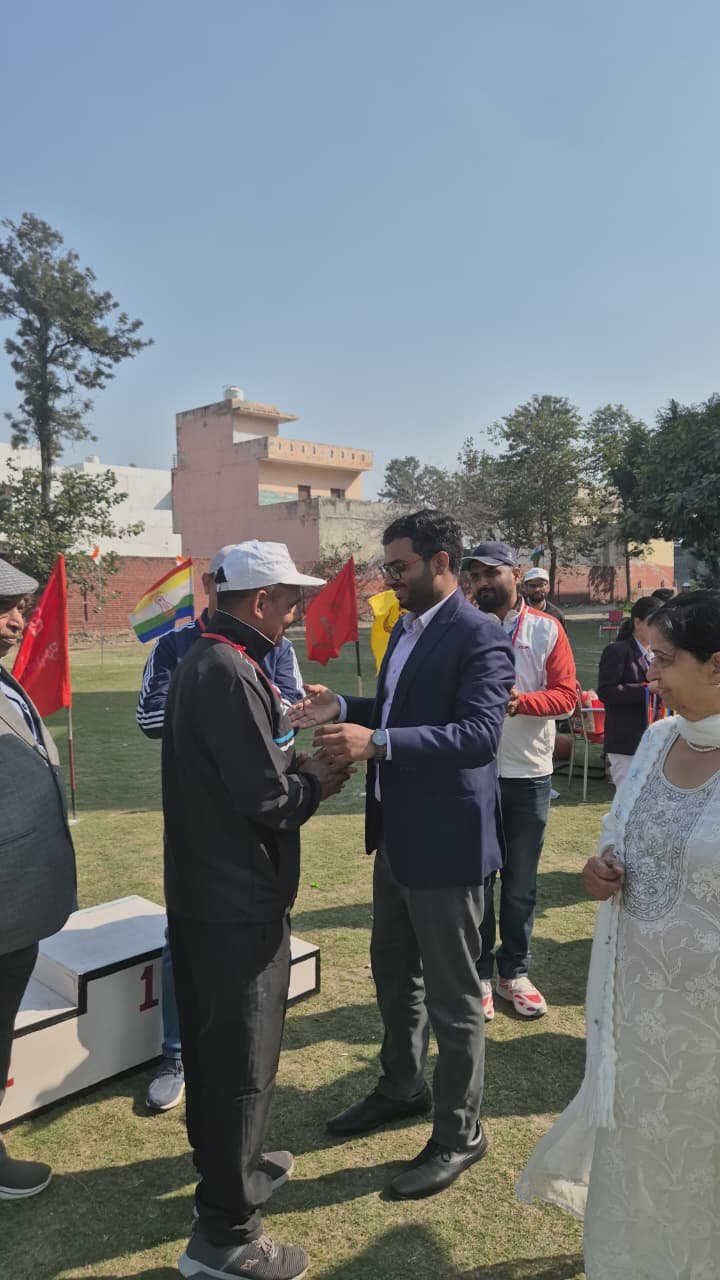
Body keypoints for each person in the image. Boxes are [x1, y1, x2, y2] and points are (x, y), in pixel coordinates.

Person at [290, 510, 515, 1200]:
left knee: (453, 996)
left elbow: (478, 736)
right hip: (396, 837)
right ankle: (402, 1087)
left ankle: (461, 1132)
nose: (388, 578)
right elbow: (398, 710)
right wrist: (343, 707)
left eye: (399, 566)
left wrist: (378, 743)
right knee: (394, 975)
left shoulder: (480, 635)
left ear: (441, 562)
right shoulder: (408, 628)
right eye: (386, 566)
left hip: (447, 844)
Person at [518, 590, 720, 1278]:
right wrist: (599, 870)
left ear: (717, 665)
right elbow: (618, 835)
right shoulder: (658, 740)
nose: (649, 674)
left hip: (709, 1027)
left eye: (664, 660)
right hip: (637, 1012)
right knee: (641, 1147)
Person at [163, 540, 349, 1280]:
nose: (296, 612)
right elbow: (268, 799)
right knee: (240, 1062)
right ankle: (227, 1235)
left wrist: (293, 764)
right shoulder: (227, 668)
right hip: (234, 900)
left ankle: (229, 1170)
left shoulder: (214, 658)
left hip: (214, 892)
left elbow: (244, 772)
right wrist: (318, 777)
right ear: (261, 601)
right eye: (291, 599)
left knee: (222, 1051)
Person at [137, 546, 306, 1113]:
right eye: (289, 600)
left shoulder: (269, 648)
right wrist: (229, 720)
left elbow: (291, 709)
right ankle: (176, 1055)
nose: (294, 614)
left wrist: (260, 728)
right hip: (210, 830)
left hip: (248, 838)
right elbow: (151, 718)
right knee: (191, 951)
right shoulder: (185, 649)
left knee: (237, 1002)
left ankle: (225, 1123)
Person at [466, 543, 577, 1020]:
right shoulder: (465, 627)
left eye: (490, 573)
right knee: (477, 881)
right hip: (473, 772)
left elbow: (567, 697)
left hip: (528, 773)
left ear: (515, 574)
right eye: (474, 576)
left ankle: (514, 970)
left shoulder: (546, 628)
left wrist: (520, 702)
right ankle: (478, 974)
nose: (481, 583)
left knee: (519, 883)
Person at [0, 558, 76, 1199]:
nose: (16, 622)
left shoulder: (6, 677)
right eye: (2, 608)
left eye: (20, 608)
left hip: (17, 899)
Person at [597, 595, 661, 789]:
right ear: (637, 622)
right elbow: (606, 692)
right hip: (626, 742)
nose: (658, 628)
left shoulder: (659, 655)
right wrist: (646, 689)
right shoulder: (617, 651)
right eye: (653, 622)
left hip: (656, 739)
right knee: (628, 798)